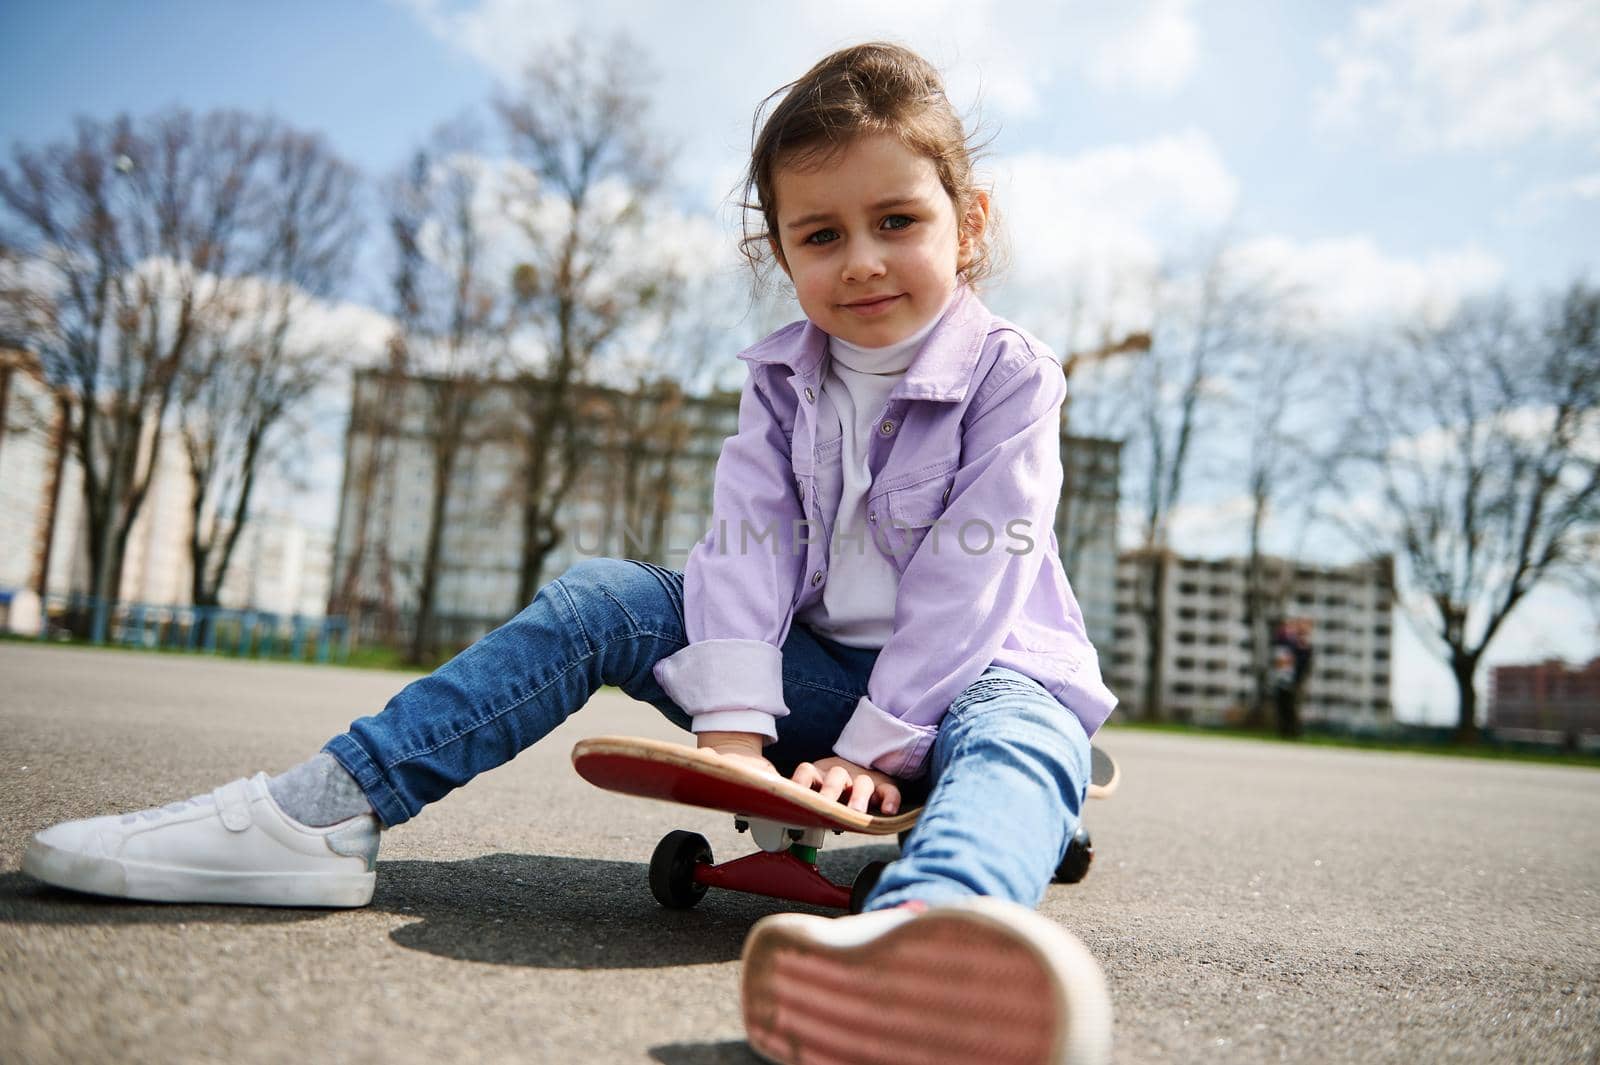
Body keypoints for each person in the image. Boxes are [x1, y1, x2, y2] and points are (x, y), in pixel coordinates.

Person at [23, 42, 1117, 1065]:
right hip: (823, 691)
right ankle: (321, 811)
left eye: (895, 221)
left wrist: (879, 751)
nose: (862, 261)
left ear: (967, 224)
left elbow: (976, 576)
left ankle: (929, 935)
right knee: (609, 596)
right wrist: (735, 737)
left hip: (977, 680)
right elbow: (740, 549)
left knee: (1022, 731)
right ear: (776, 250)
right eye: (820, 235)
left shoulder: (1010, 376)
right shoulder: (783, 381)